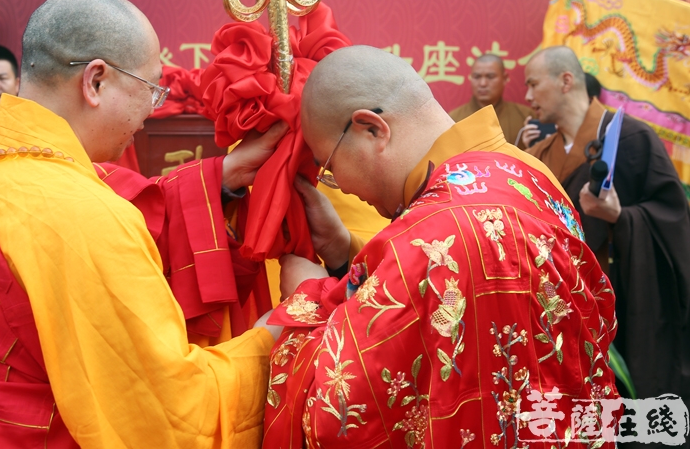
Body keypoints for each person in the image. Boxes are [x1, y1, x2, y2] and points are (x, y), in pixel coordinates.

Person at [0, 0, 284, 448]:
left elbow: (96, 197)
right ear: (95, 81)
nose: (150, 111)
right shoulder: (80, 215)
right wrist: (272, 339)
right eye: (152, 89)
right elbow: (170, 414)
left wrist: (220, 179)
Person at [263, 46, 618, 448]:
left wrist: (305, 301)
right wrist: (346, 252)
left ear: (372, 129)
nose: (340, 184)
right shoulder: (529, 172)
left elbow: (342, 412)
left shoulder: (432, 235)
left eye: (329, 166)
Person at [522, 45, 690, 402]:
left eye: (534, 84)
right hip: (563, 309)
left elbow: (675, 217)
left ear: (566, 80)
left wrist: (621, 217)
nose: (527, 96)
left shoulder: (631, 138)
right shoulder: (537, 156)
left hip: (628, 302)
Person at [449, 54, 532, 146]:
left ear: (504, 78)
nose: (483, 83)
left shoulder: (525, 116)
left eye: (490, 76)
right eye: (477, 77)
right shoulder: (453, 119)